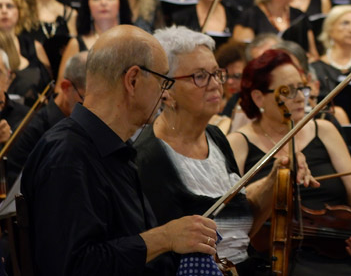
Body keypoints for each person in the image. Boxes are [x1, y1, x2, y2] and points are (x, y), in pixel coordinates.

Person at [21, 25, 220, 275]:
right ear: (133, 80)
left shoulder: (112, 147)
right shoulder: (68, 155)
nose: (165, 93)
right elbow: (73, 265)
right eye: (162, 81)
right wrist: (165, 237)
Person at [135, 27, 285, 275]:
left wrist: (277, 178)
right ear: (167, 90)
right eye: (200, 76)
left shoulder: (216, 138)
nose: (216, 84)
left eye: (216, 73)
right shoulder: (148, 156)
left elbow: (239, 229)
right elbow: (159, 255)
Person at [228, 49, 351, 275]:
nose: (299, 98)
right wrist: (275, 176)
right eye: (288, 91)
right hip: (280, 254)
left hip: (341, 246)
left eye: (301, 88)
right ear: (258, 98)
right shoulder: (238, 143)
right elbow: (235, 212)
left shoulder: (324, 130)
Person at [4, 51, 87, 185]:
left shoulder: (85, 124)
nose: (91, 107)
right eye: (84, 98)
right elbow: (16, 186)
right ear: (65, 87)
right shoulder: (31, 130)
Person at [58, 0, 134, 79]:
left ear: (120, 3)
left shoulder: (135, 41)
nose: (103, 2)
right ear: (88, 5)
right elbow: (61, 88)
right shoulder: (75, 44)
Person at [0, 0, 51, 101]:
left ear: (19, 11)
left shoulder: (34, 46)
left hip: (34, 112)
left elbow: (49, 85)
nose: (4, 11)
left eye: (9, 6)